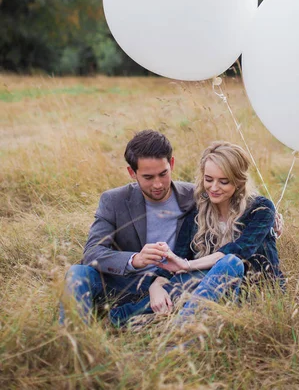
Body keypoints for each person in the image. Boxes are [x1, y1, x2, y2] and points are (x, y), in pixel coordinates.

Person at [109, 141, 284, 326]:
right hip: (208, 290)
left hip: (254, 293)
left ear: (239, 181)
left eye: (223, 181)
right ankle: (125, 317)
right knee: (190, 279)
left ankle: (178, 328)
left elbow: (238, 250)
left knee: (230, 263)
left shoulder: (261, 208)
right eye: (209, 179)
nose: (214, 188)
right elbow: (180, 254)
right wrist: (156, 286)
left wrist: (187, 265)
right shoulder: (198, 212)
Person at [60, 129, 195, 324]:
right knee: (77, 273)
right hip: (125, 283)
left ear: (171, 164)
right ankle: (74, 342)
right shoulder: (113, 200)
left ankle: (120, 319)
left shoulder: (194, 196)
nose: (158, 184)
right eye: (148, 177)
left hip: (171, 283)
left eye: (163, 174)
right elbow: (92, 252)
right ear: (132, 172)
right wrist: (135, 259)